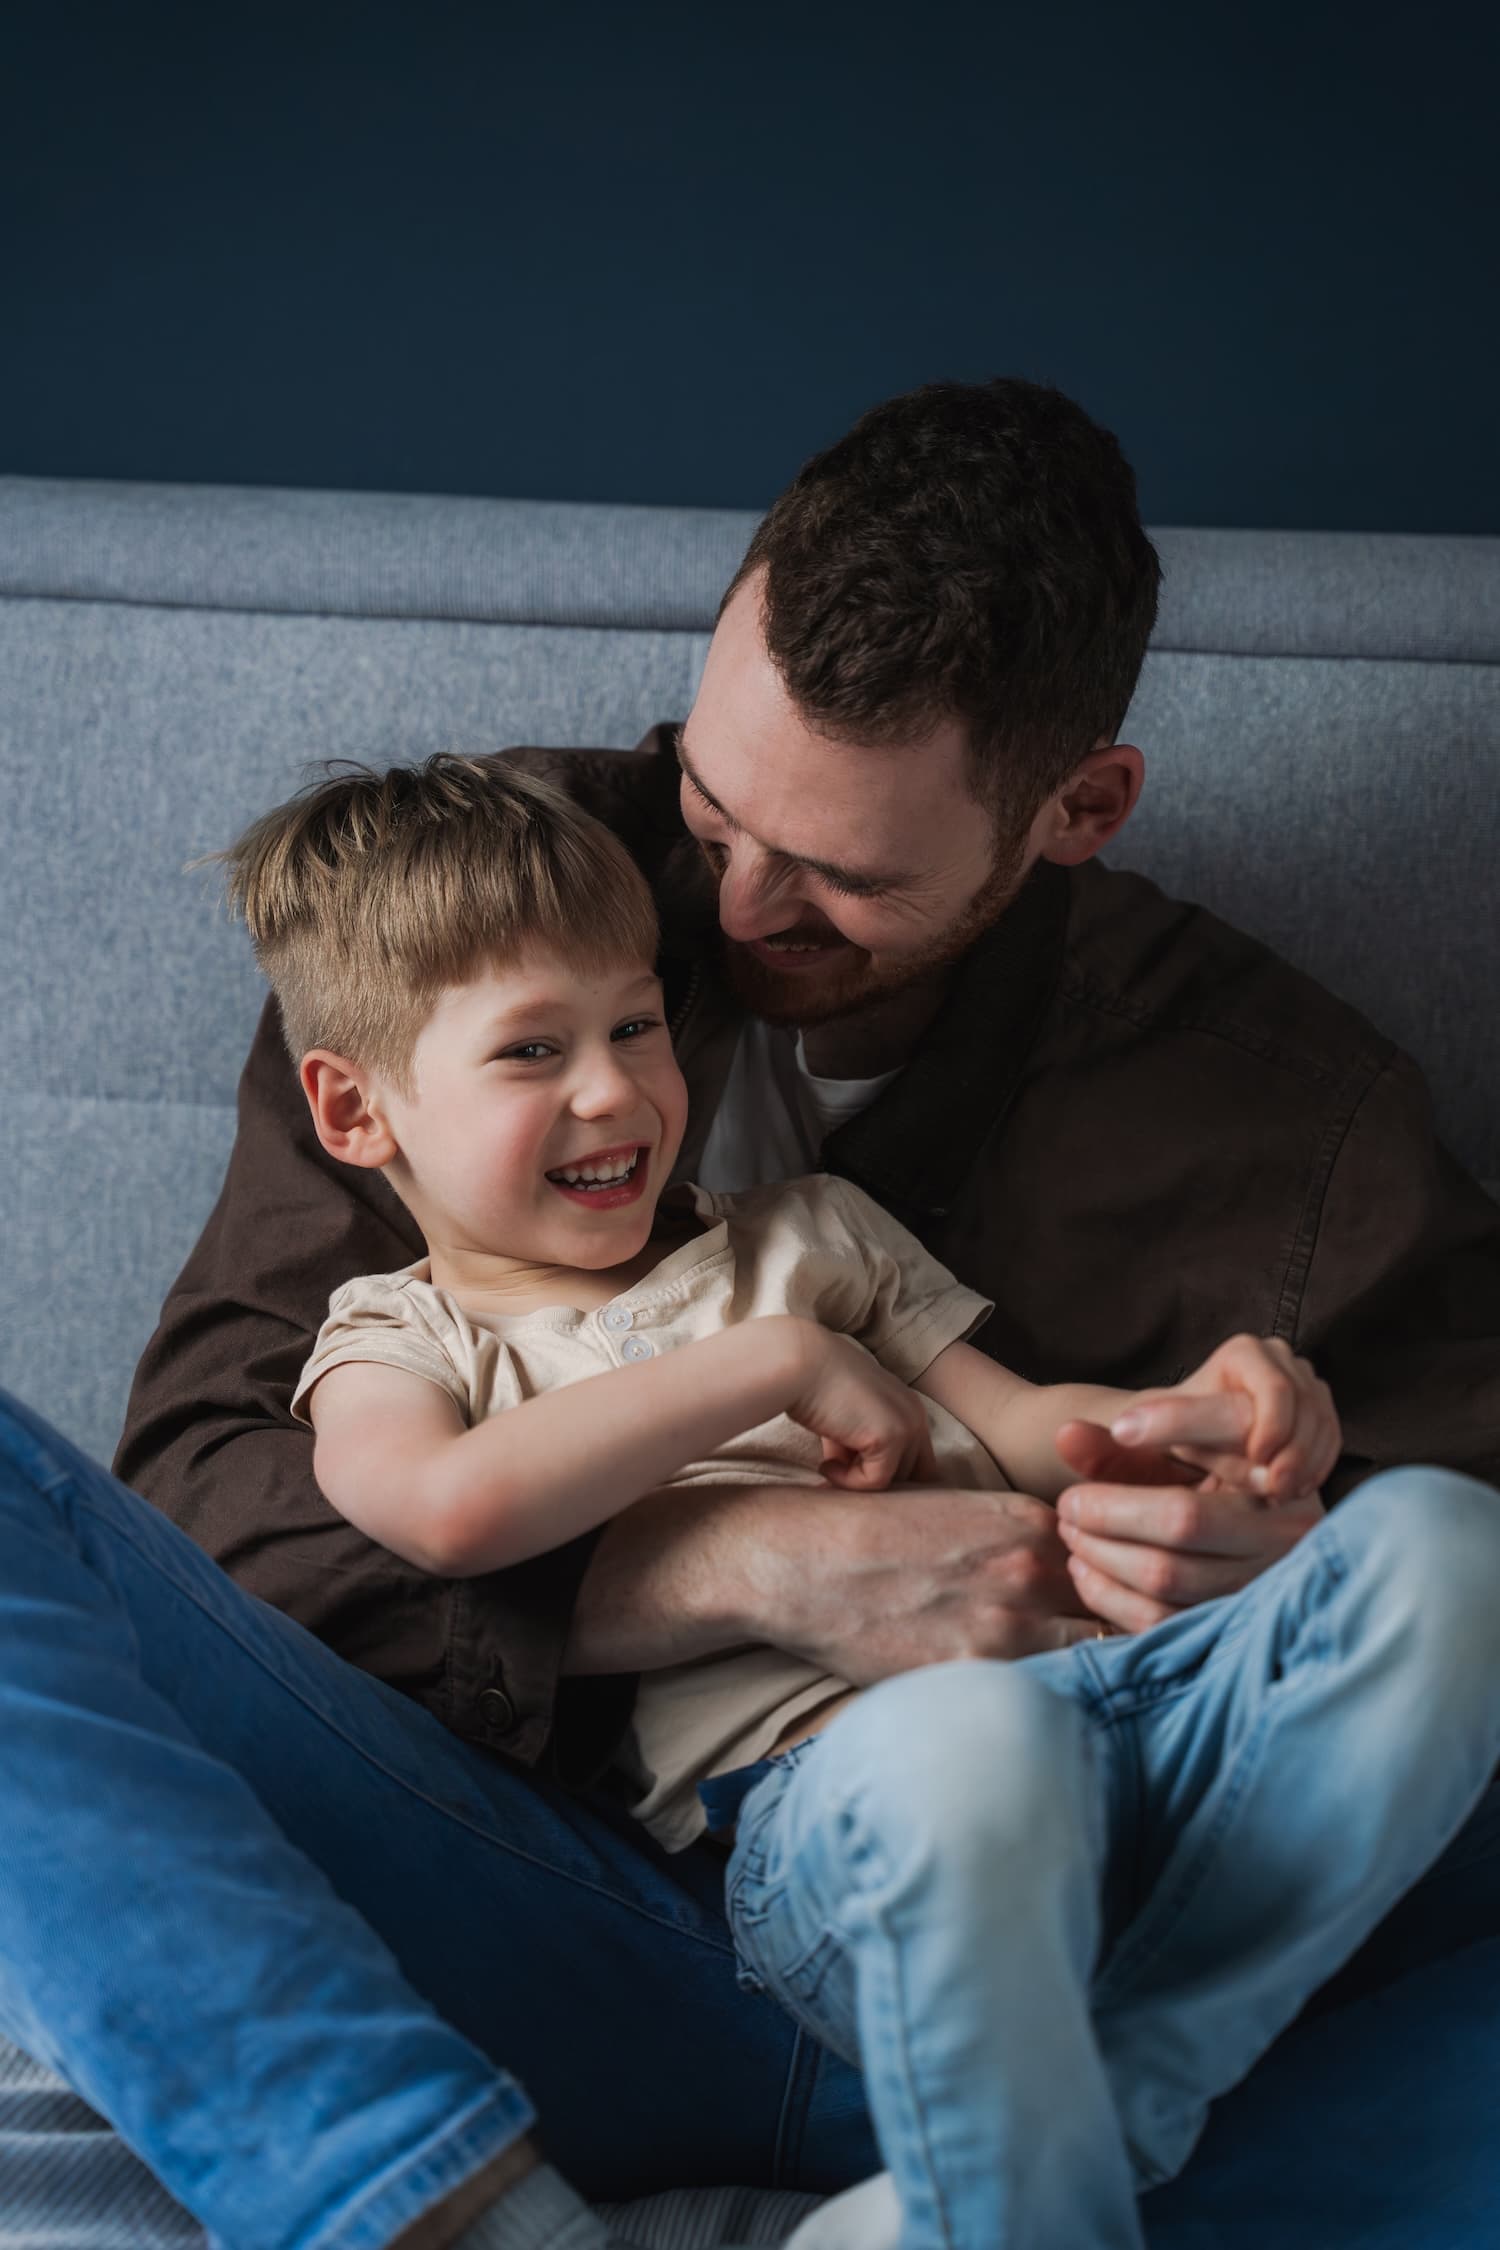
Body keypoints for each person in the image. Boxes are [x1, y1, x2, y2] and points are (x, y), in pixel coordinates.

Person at [2, 375, 1497, 2249]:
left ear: (1078, 808)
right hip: (570, 1921)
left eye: (841, 876)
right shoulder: (488, 904)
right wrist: (746, 1557)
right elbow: (220, 1520)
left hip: (1083, 1936)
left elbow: (1394, 1620)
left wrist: (1258, 1502)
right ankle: (441, 2211)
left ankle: (1030, 2168)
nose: (719, 903)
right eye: (713, 802)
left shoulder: (1287, 1111)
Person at [224, 743, 1500, 2250]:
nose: (616, 1085)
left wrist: (1205, 1412)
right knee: (971, 1745)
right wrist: (764, 1364)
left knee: (1443, 1547)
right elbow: (442, 1511)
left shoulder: (815, 1230)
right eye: (530, 1050)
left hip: (1122, 1713)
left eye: (637, 1021)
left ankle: (1125, 2100)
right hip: (838, 1824)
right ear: (357, 1112)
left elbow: (1030, 1428)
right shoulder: (398, 1336)